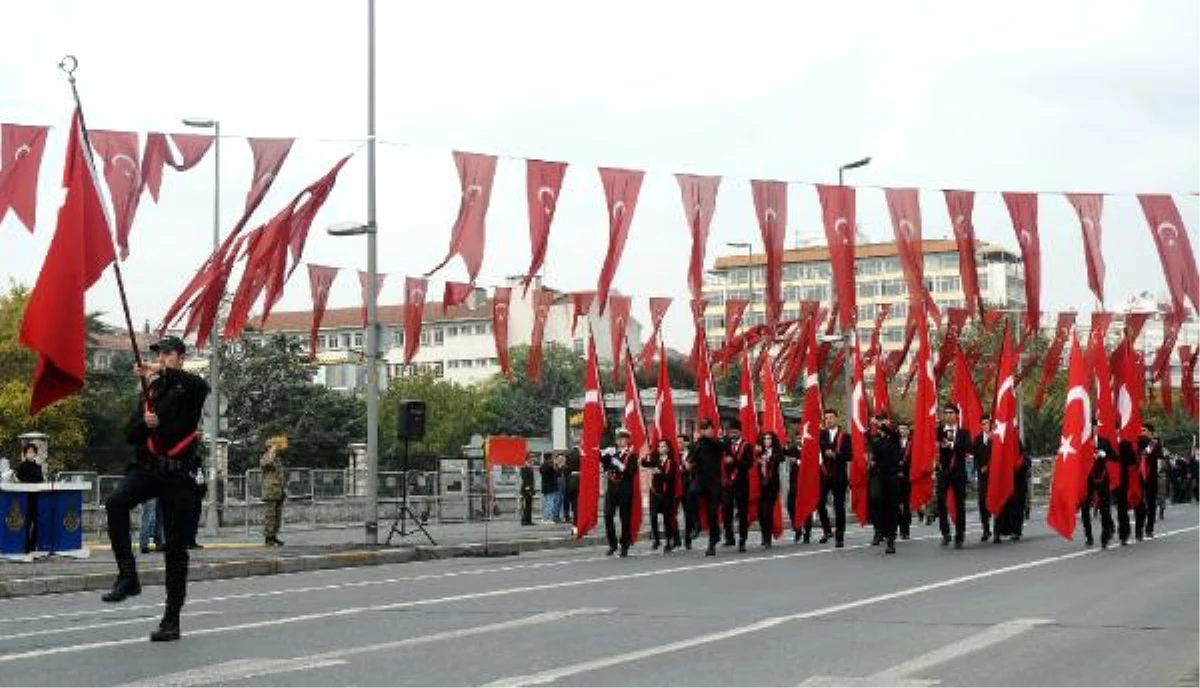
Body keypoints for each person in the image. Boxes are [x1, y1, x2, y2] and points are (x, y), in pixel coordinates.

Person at [102, 335, 209, 643]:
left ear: (180, 357)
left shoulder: (189, 386)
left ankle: (171, 620)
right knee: (116, 503)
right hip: (149, 468)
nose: (161, 358)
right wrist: (145, 423)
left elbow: (200, 387)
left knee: (175, 550)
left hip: (179, 475)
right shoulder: (151, 391)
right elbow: (129, 433)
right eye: (158, 354)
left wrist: (157, 370)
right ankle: (128, 577)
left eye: (166, 353)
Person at [867, 412, 903, 554]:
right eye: (879, 420)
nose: (880, 423)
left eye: (883, 420)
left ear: (888, 421)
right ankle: (879, 531)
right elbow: (871, 446)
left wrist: (879, 424)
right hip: (878, 475)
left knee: (892, 507)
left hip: (892, 475)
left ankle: (891, 539)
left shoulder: (894, 435)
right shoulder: (875, 438)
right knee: (876, 500)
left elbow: (892, 433)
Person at [688, 420, 725, 556]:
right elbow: (690, 459)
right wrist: (688, 464)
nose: (705, 431)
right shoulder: (697, 444)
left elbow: (722, 447)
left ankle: (712, 542)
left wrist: (709, 438)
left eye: (707, 428)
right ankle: (696, 523)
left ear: (712, 429)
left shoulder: (717, 442)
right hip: (700, 479)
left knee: (712, 513)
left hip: (714, 482)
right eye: (703, 429)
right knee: (691, 494)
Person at [936, 404, 970, 549]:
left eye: (951, 413)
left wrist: (950, 445)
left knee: (959, 504)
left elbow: (965, 449)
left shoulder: (963, 433)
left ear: (957, 415)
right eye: (946, 413)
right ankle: (945, 534)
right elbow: (929, 447)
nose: (948, 415)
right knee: (940, 501)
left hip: (958, 472)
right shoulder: (938, 432)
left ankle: (959, 536)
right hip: (943, 472)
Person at [818, 409, 852, 547]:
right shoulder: (821, 435)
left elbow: (850, 455)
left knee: (839, 506)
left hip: (839, 475)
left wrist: (836, 455)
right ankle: (827, 530)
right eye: (826, 418)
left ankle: (840, 536)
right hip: (824, 474)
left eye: (831, 418)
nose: (828, 420)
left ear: (836, 419)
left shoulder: (845, 436)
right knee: (819, 503)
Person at [601, 428, 638, 557]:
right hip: (612, 490)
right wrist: (603, 456)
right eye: (618, 439)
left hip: (624, 490)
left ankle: (624, 545)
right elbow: (606, 468)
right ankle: (612, 544)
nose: (619, 441)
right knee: (607, 515)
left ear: (627, 440)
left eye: (622, 439)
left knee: (625, 518)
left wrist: (620, 465)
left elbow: (632, 472)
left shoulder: (632, 455)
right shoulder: (613, 454)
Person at [640, 438, 679, 552]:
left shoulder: (671, 462)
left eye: (663, 446)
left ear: (667, 449)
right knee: (653, 516)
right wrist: (646, 456)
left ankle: (668, 540)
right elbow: (644, 463)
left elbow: (670, 478)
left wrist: (659, 472)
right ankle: (656, 539)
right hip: (655, 493)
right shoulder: (655, 460)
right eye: (659, 446)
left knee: (667, 518)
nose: (660, 448)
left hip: (666, 494)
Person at [721, 419, 753, 552]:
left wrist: (734, 461)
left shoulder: (746, 446)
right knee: (726, 510)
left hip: (741, 483)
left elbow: (749, 464)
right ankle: (729, 537)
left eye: (734, 432)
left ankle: (743, 539)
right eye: (730, 432)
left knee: (742, 512)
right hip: (728, 483)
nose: (732, 434)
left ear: (739, 432)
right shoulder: (726, 444)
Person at [755, 431, 784, 549]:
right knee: (761, 512)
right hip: (760, 485)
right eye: (765, 439)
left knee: (767, 510)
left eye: (769, 439)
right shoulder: (758, 452)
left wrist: (769, 457)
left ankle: (767, 537)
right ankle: (764, 533)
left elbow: (781, 458)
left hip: (772, 485)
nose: (767, 441)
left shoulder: (776, 452)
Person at [1135, 423, 1162, 540]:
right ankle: (1138, 531)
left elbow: (1159, 456)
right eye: (1141, 430)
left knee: (1151, 504)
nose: (1142, 432)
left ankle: (1149, 529)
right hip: (1139, 477)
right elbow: (1140, 453)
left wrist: (1152, 444)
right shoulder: (1139, 441)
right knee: (1139, 504)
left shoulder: (1156, 443)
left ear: (1151, 432)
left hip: (1151, 477)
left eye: (1144, 430)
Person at [16, 443, 44, 552]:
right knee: (26, 522)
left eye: (32, 452)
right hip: (25, 497)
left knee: (37, 521)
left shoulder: (38, 466)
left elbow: (40, 479)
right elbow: (19, 480)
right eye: (28, 452)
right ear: (25, 454)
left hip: (36, 497)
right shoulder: (21, 466)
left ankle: (33, 544)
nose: (30, 454)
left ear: (35, 454)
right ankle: (26, 545)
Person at [261, 438, 286, 546]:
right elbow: (266, 464)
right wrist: (271, 452)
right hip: (270, 491)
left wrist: (284, 488)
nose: (277, 448)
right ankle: (268, 537)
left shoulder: (278, 459)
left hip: (278, 490)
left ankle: (274, 535)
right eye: (274, 446)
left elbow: (280, 475)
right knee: (270, 516)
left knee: (277, 516)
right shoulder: (266, 457)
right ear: (269, 447)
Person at [973, 416, 993, 542]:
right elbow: (976, 456)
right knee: (981, 501)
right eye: (983, 424)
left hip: (995, 476)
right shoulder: (978, 439)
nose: (985, 426)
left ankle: (997, 531)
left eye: (987, 423)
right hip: (982, 476)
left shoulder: (997, 437)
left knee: (996, 500)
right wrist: (979, 467)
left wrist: (989, 467)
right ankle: (986, 529)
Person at [896, 421, 913, 540]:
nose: (902, 431)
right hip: (896, 476)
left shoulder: (913, 443)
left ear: (908, 431)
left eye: (904, 429)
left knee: (906, 504)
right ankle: (898, 524)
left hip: (908, 477)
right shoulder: (894, 443)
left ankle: (905, 529)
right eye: (900, 429)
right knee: (896, 504)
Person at [539, 452, 562, 524]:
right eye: (552, 457)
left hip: (545, 487)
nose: (553, 459)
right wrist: (559, 467)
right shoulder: (550, 466)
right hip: (551, 487)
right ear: (549, 458)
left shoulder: (543, 466)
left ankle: (545, 518)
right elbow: (556, 474)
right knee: (550, 503)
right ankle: (548, 518)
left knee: (546, 503)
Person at [518, 456, 536, 526]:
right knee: (526, 505)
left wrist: (532, 488)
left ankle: (529, 520)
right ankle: (524, 520)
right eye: (529, 459)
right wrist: (528, 488)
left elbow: (531, 479)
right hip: (526, 489)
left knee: (529, 505)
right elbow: (525, 479)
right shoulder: (524, 468)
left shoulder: (529, 467)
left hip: (530, 488)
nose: (531, 461)